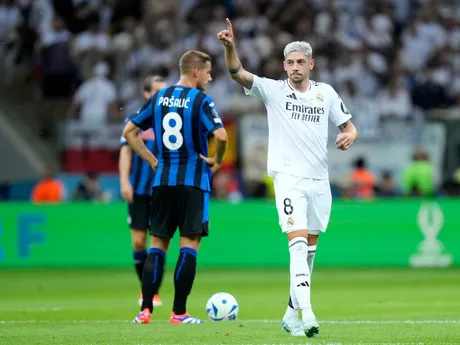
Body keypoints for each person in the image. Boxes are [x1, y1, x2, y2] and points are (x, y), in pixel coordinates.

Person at [217, 19, 358, 337]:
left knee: (309, 252)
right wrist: (230, 48)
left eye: (300, 62)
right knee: (296, 247)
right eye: (289, 62)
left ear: (311, 64)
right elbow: (237, 72)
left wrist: (350, 135)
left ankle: (291, 314)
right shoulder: (274, 91)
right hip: (288, 179)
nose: (294, 67)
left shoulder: (326, 94)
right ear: (284, 65)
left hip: (319, 182)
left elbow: (348, 126)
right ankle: (308, 314)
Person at [123, 50, 228, 324]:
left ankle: (145, 310)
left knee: (157, 245)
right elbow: (221, 135)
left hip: (163, 181)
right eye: (208, 71)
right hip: (193, 182)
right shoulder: (201, 100)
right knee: (189, 246)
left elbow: (129, 132)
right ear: (195, 71)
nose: (210, 76)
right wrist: (218, 159)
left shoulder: (158, 98)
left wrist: (149, 158)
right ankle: (178, 313)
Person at [119, 75, 167, 307]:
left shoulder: (171, 119)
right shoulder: (135, 119)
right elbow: (126, 151)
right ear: (147, 94)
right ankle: (145, 287)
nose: (161, 95)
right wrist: (124, 182)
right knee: (139, 242)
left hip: (163, 190)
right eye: (156, 91)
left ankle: (152, 292)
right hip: (138, 190)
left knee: (158, 241)